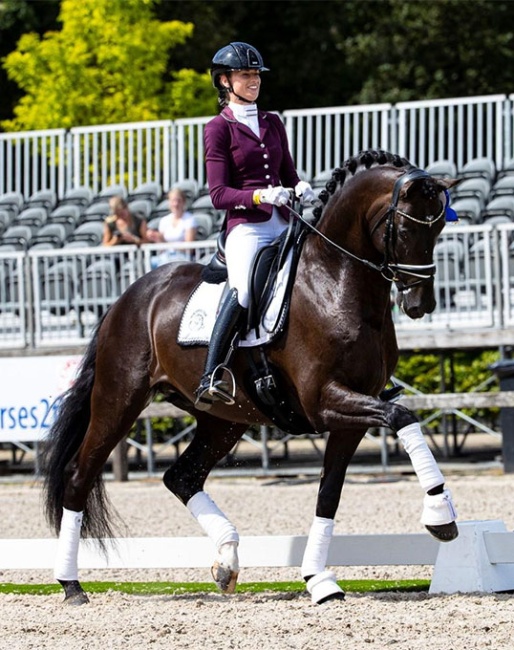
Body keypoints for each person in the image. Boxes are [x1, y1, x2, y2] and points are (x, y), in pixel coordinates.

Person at [194, 41, 315, 410]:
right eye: (245, 75)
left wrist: (298, 187)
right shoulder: (218, 128)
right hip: (247, 227)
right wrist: (259, 197)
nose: (253, 81)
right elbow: (217, 194)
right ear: (225, 81)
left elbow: (288, 173)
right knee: (244, 291)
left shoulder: (272, 122)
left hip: (284, 221)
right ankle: (212, 374)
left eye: (256, 75)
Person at [146, 188, 197, 266]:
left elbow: (189, 247)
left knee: (165, 264)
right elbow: (162, 247)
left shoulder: (189, 219)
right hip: (165, 256)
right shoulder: (164, 220)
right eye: (173, 201)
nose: (175, 204)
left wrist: (169, 245)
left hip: (183, 257)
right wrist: (156, 237)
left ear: (184, 202)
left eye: (178, 201)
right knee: (148, 263)